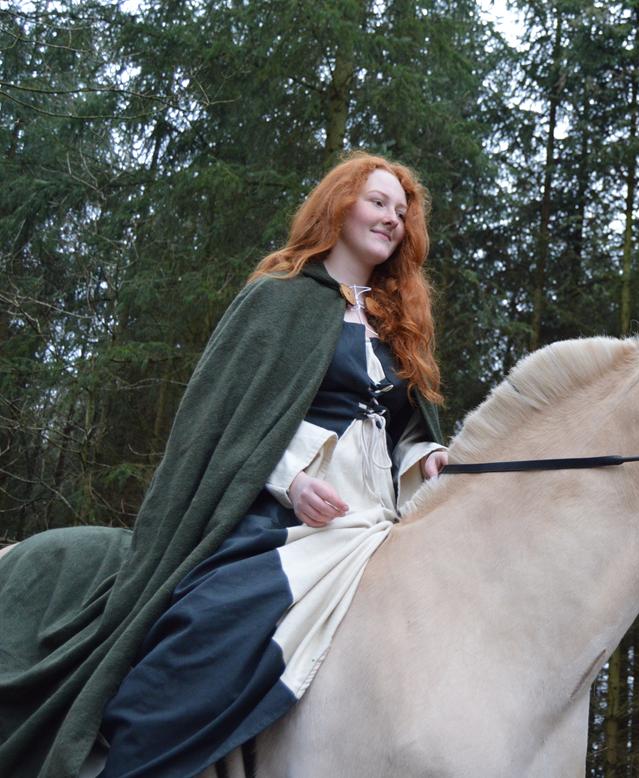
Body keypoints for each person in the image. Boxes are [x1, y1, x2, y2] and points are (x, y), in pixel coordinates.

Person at [0, 152, 447, 778]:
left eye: (402, 212)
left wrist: (428, 456)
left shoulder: (398, 326)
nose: (392, 218)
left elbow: (405, 427)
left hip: (376, 518)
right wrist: (290, 481)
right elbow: (221, 421)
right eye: (377, 202)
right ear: (339, 204)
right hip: (280, 517)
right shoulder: (280, 297)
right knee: (216, 623)